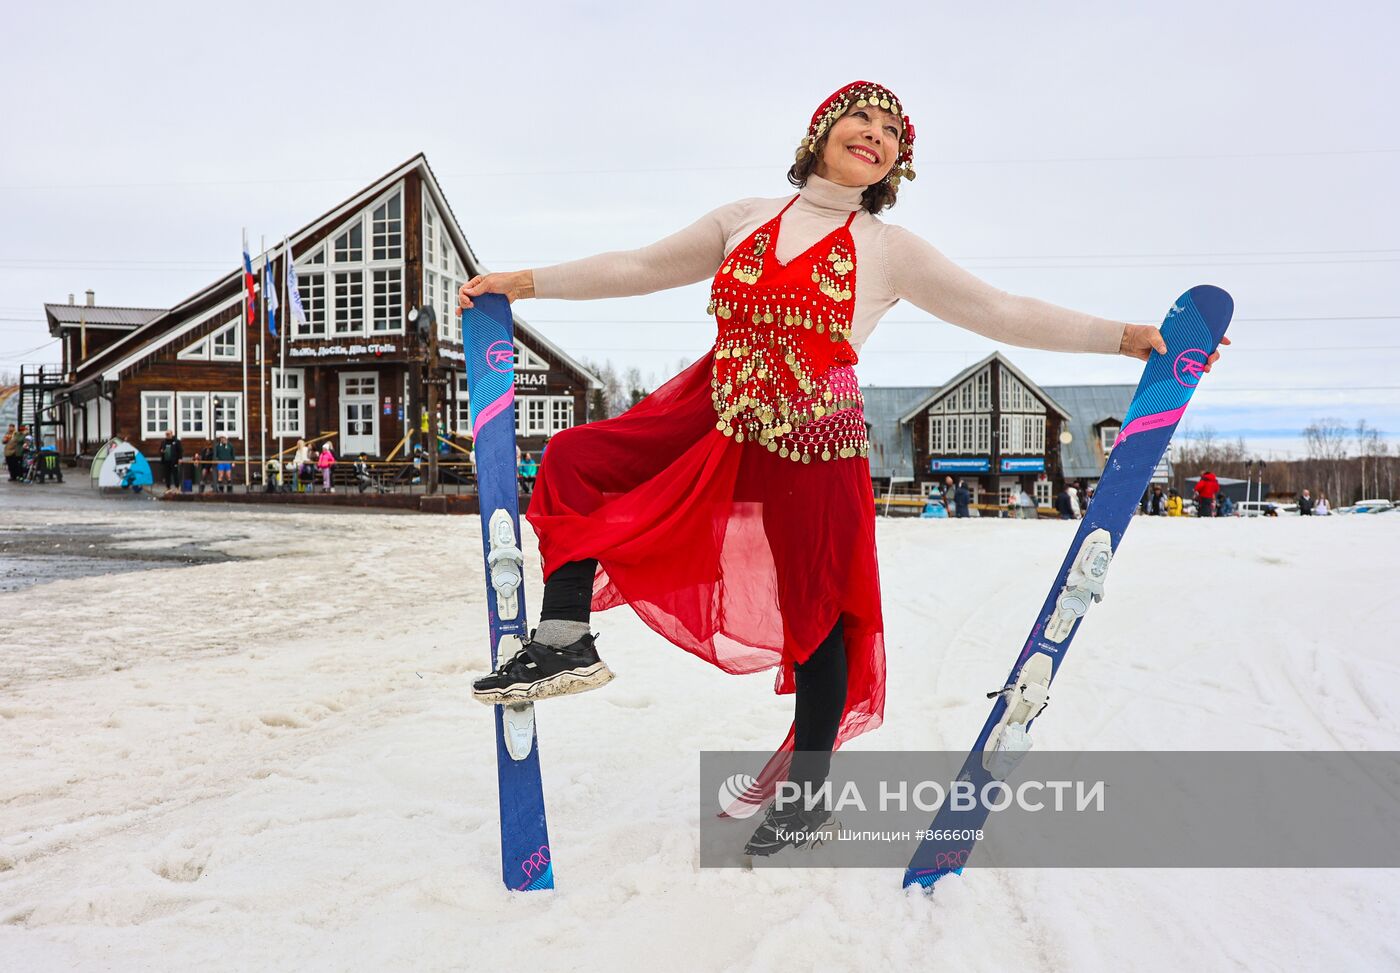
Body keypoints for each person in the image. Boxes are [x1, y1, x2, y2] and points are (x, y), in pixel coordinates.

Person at [458, 80, 1227, 855]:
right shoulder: (744, 219)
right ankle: (564, 637)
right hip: (717, 408)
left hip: (813, 437)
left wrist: (1122, 337)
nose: (877, 133)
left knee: (816, 609)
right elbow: (639, 266)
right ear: (821, 130)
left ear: (896, 164)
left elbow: (999, 310)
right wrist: (521, 284)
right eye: (862, 116)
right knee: (578, 455)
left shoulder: (888, 249)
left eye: (894, 132)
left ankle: (806, 795)